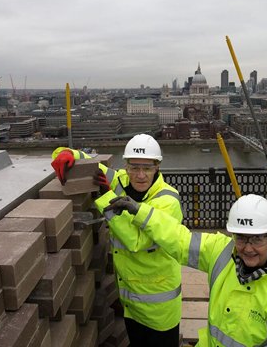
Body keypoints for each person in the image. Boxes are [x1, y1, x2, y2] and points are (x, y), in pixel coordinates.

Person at [104, 194, 267, 346]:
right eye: (241, 238)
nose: (248, 248)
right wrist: (142, 212)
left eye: (257, 239)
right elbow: (178, 239)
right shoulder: (222, 253)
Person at [51, 134, 183, 347]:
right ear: (126, 166)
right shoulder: (120, 180)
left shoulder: (167, 201)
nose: (140, 175)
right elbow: (88, 161)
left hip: (159, 308)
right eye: (134, 167)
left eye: (147, 168)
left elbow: (137, 241)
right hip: (131, 303)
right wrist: (66, 154)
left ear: (157, 167)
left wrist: (105, 196)